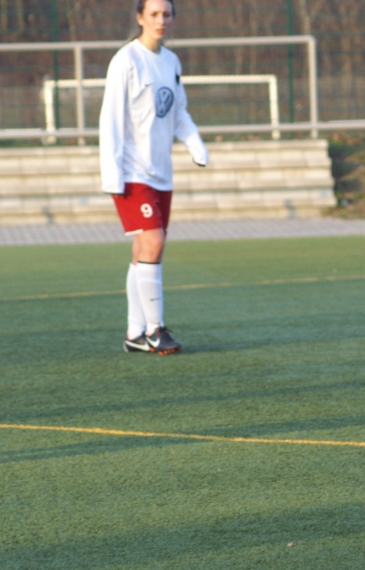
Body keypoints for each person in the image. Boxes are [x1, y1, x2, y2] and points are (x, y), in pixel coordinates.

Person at [100, 0, 208, 355]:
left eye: (167, 14)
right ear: (140, 18)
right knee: (154, 242)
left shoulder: (171, 61)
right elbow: (110, 120)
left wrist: (194, 142)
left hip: (162, 174)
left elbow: (178, 112)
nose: (161, 20)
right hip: (132, 172)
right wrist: (112, 174)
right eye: (154, 14)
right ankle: (155, 329)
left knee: (143, 248)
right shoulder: (126, 61)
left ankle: (134, 334)